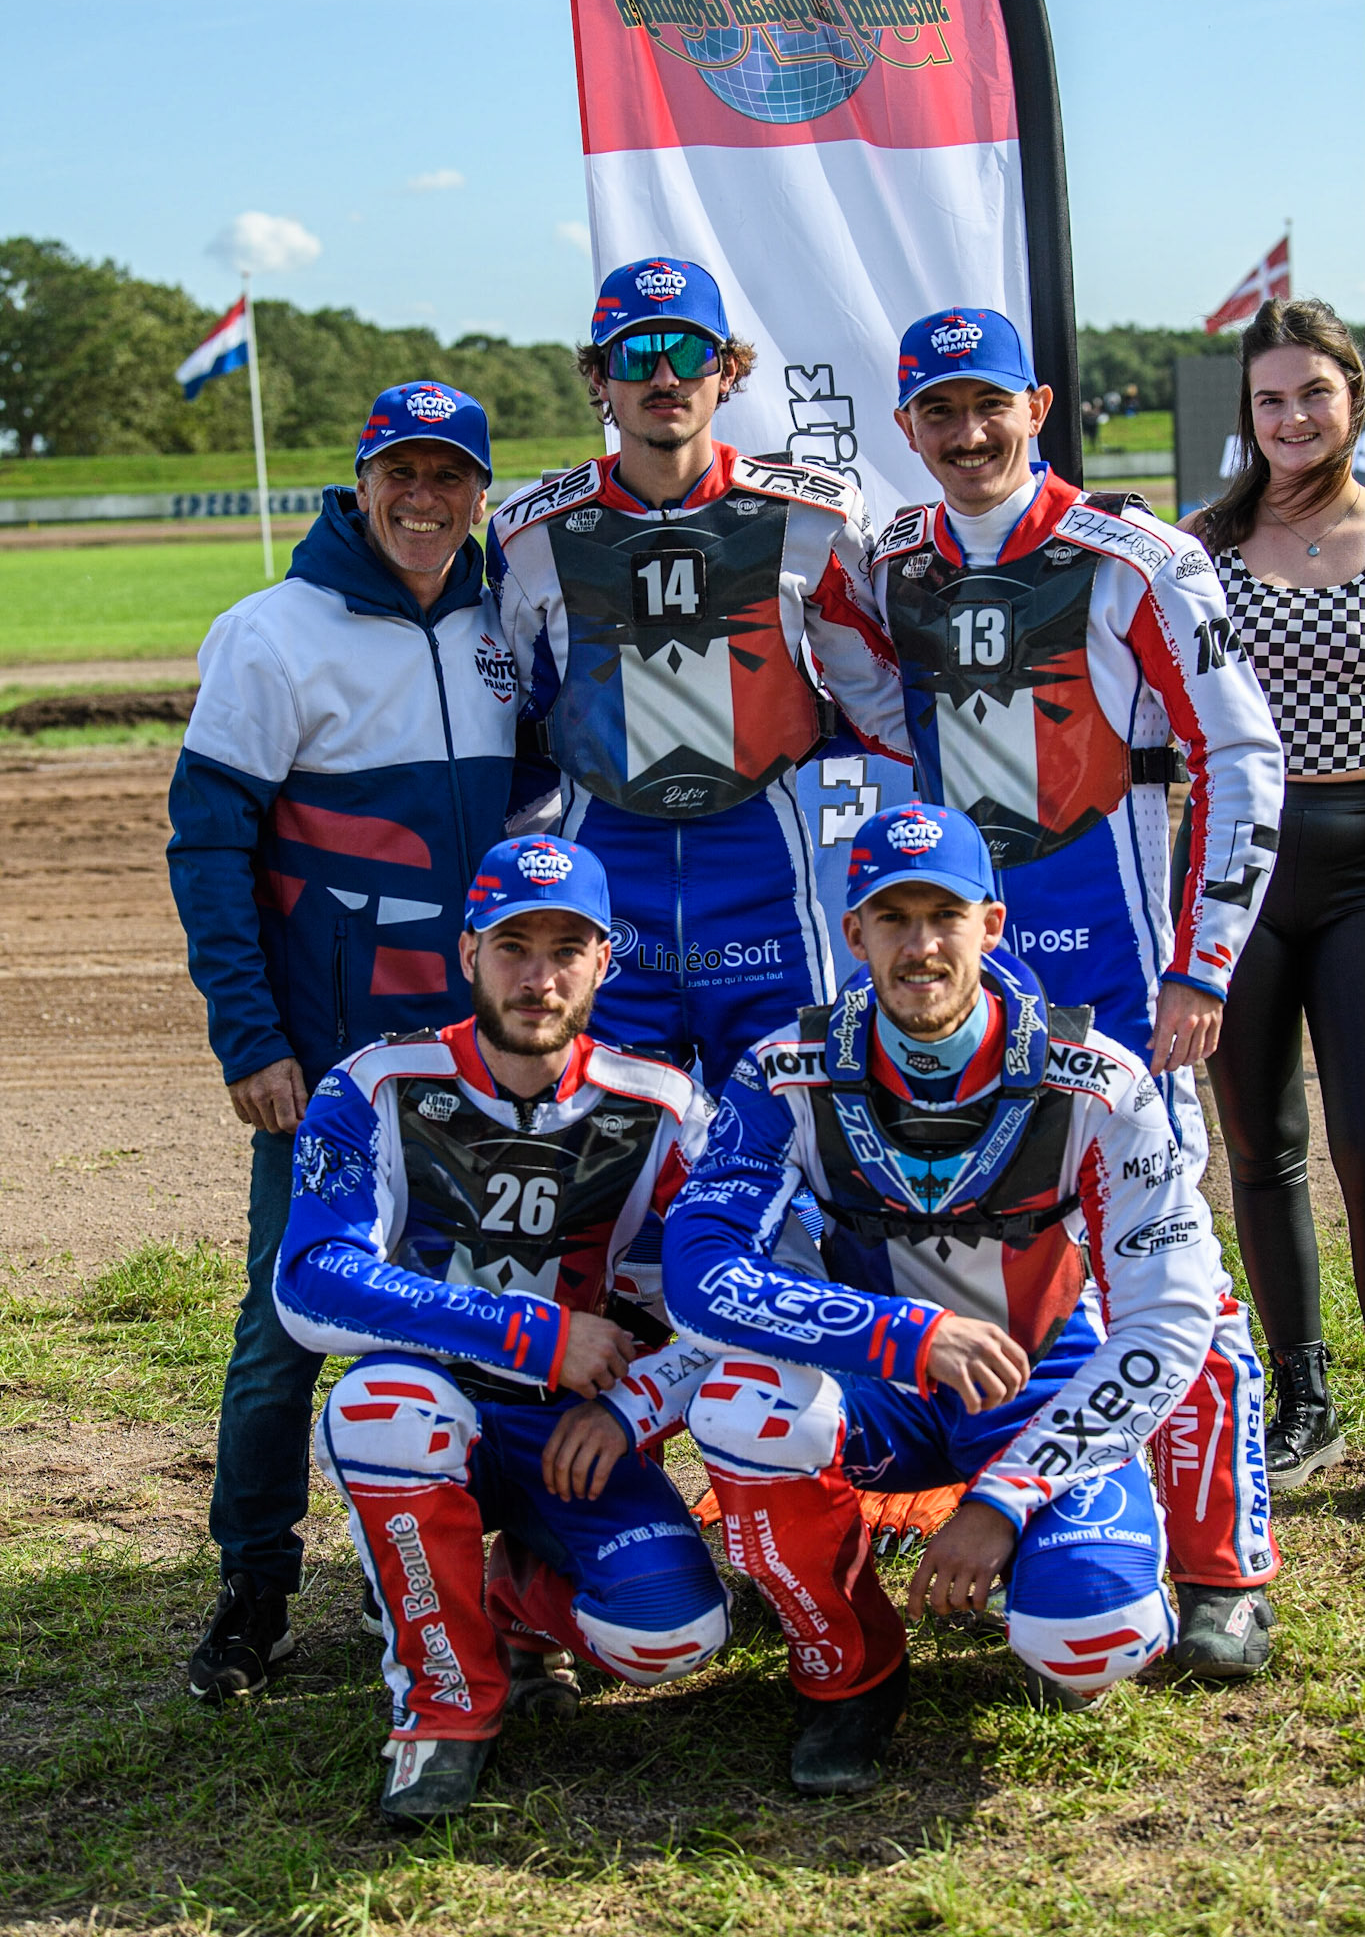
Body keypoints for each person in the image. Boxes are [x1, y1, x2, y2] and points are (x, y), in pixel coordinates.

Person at [867, 307, 1285, 1675]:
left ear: (1036, 405)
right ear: (905, 423)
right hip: (955, 973)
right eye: (940, 412)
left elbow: (1243, 759)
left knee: (1174, 1264)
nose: (969, 434)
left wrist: (1199, 966)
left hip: (1116, 974)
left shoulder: (1139, 558)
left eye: (990, 405)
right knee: (978, 1233)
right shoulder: (892, 567)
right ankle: (1011, 1492)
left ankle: (1226, 1567)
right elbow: (876, 715)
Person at [662, 803, 1221, 1795]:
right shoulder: (782, 1070)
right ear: (853, 933)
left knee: (1097, 1633)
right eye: (893, 917)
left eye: (945, 915)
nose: (921, 945)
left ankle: (1038, 1567)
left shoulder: (1098, 1078)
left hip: (1040, 1378)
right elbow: (700, 1273)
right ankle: (848, 1668)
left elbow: (1169, 1316)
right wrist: (904, 1331)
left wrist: (1003, 1502)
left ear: (991, 925)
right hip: (883, 1383)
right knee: (741, 1404)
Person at [167, 383, 521, 1700]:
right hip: (331, 1075)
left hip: (489, 1061)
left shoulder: (505, 627)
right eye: (403, 476)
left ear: (480, 492)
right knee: (290, 1322)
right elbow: (207, 849)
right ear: (360, 479)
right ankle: (253, 1590)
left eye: (452, 479)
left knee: (494, 1309)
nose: (426, 503)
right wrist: (251, 1040)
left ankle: (489, 1576)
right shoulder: (269, 635)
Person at [273, 834, 727, 1821]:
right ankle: (442, 1704)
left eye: (568, 947)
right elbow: (310, 1284)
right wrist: (529, 1331)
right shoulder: (375, 1086)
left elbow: (723, 1304)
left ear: (605, 960)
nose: (540, 974)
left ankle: (518, 1595)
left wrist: (633, 1410)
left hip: (577, 1429)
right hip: (439, 1409)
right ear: (467, 949)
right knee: (380, 1406)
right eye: (513, 943)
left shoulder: (666, 1105)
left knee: (673, 1636)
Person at [486, 255, 909, 1090]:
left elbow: (882, 706)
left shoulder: (813, 518)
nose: (666, 376)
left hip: (767, 883)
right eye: (636, 356)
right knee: (610, 1154)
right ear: (600, 379)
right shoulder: (528, 537)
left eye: (689, 352)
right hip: (605, 890)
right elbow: (510, 722)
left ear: (729, 372)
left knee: (789, 1136)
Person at [1179, 297, 1365, 1487]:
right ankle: (1305, 1396)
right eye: (1270, 398)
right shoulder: (1200, 542)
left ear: (1352, 396)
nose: (1293, 415)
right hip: (1240, 864)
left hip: (1360, 858)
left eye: (1314, 392)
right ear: (1248, 414)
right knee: (1259, 1142)